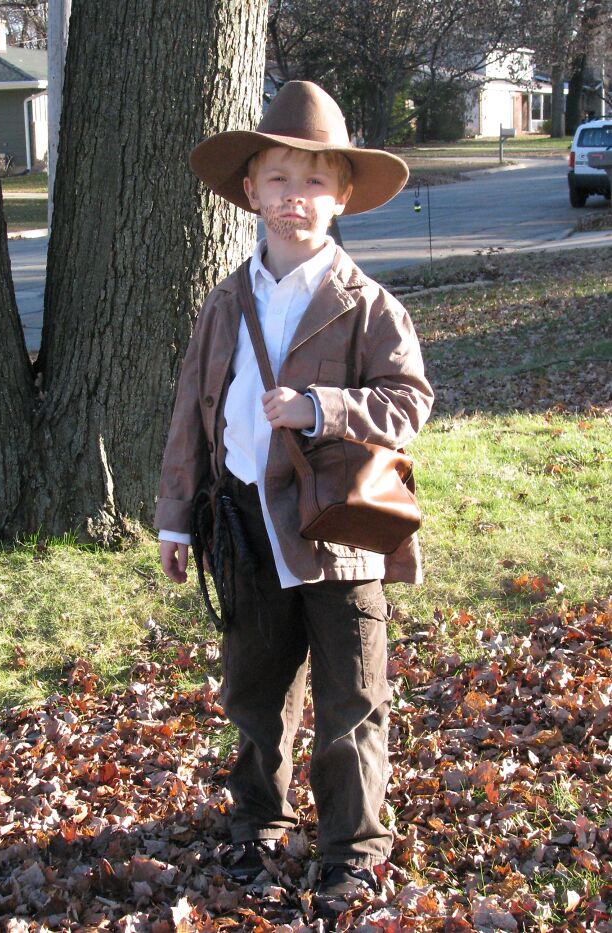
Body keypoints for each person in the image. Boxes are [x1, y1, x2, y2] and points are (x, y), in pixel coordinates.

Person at [155, 81, 433, 907]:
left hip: (337, 529)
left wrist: (322, 408)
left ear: (343, 195)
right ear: (250, 191)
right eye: (279, 178)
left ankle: (354, 847)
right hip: (241, 521)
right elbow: (191, 417)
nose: (295, 198)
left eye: (315, 181)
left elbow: (409, 402)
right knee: (253, 691)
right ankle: (258, 825)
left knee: (352, 698)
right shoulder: (225, 304)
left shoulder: (367, 305)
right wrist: (177, 515)